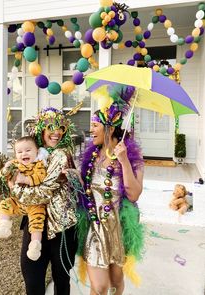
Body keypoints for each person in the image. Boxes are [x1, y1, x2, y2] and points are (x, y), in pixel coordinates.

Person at [77, 85, 145, 295]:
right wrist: (70, 174)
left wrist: (123, 161)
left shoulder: (133, 159)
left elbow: (134, 194)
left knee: (116, 283)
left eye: (95, 125)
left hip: (118, 230)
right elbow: (82, 188)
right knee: (100, 287)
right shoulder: (91, 156)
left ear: (110, 128)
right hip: (94, 228)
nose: (91, 130)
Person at [11, 107, 79, 295]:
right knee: (32, 278)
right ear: (41, 128)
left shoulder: (61, 154)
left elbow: (43, 192)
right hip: (36, 225)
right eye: (51, 126)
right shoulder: (33, 152)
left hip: (62, 228)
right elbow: (14, 169)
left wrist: (14, 187)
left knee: (61, 282)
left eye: (61, 128)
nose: (56, 132)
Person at [0, 136, 49, 261]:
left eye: (28, 150)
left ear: (37, 152)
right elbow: (3, 175)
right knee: (4, 204)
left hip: (35, 204)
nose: (24, 154)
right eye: (19, 152)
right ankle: (4, 226)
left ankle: (35, 245)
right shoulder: (15, 164)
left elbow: (41, 177)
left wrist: (25, 179)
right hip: (18, 202)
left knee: (36, 224)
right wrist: (6, 168)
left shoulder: (39, 165)